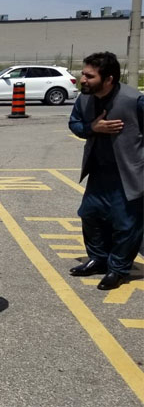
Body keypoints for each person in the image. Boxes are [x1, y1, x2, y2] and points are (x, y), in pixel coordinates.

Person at [67, 52, 143, 290]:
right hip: (99, 172)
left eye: (89, 76)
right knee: (90, 215)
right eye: (83, 74)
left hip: (129, 174)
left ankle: (118, 269)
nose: (83, 79)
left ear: (108, 79)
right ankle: (98, 259)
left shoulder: (134, 100)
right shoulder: (84, 99)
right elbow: (74, 124)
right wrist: (93, 127)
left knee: (126, 224)